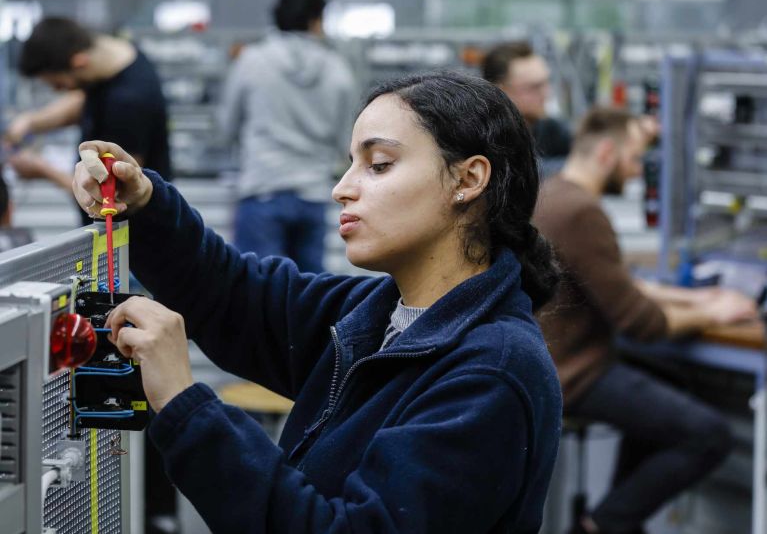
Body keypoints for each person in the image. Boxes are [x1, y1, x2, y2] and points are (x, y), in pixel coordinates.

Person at [73, 71, 562, 533]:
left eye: (379, 165)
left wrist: (184, 404)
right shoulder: (378, 317)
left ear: (468, 179)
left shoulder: (490, 373)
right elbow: (234, 296)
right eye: (350, 164)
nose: (341, 189)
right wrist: (146, 204)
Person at [533, 106, 758, 534]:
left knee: (672, 382)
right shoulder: (583, 212)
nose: (637, 173)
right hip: (575, 374)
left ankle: (617, 520)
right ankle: (604, 523)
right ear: (605, 152)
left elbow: (616, 282)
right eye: (634, 159)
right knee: (709, 435)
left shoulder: (554, 194)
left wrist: (693, 297)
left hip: (556, 362)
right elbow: (640, 322)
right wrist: (712, 312)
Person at [218, 0, 357, 271]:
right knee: (311, 298)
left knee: (257, 292)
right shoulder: (338, 70)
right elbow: (350, 142)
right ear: (317, 21)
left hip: (261, 189)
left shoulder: (252, 61)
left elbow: (226, 126)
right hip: (314, 193)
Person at [6, 16, 171, 226]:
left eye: (59, 84)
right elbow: (83, 100)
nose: (60, 92)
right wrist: (30, 122)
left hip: (130, 237)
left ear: (80, 62)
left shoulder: (129, 104)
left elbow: (119, 193)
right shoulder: (116, 55)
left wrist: (42, 170)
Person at [482, 41, 571, 160]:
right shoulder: (481, 142)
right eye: (534, 87)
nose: (547, 93)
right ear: (500, 92)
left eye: (546, 83)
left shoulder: (553, 131)